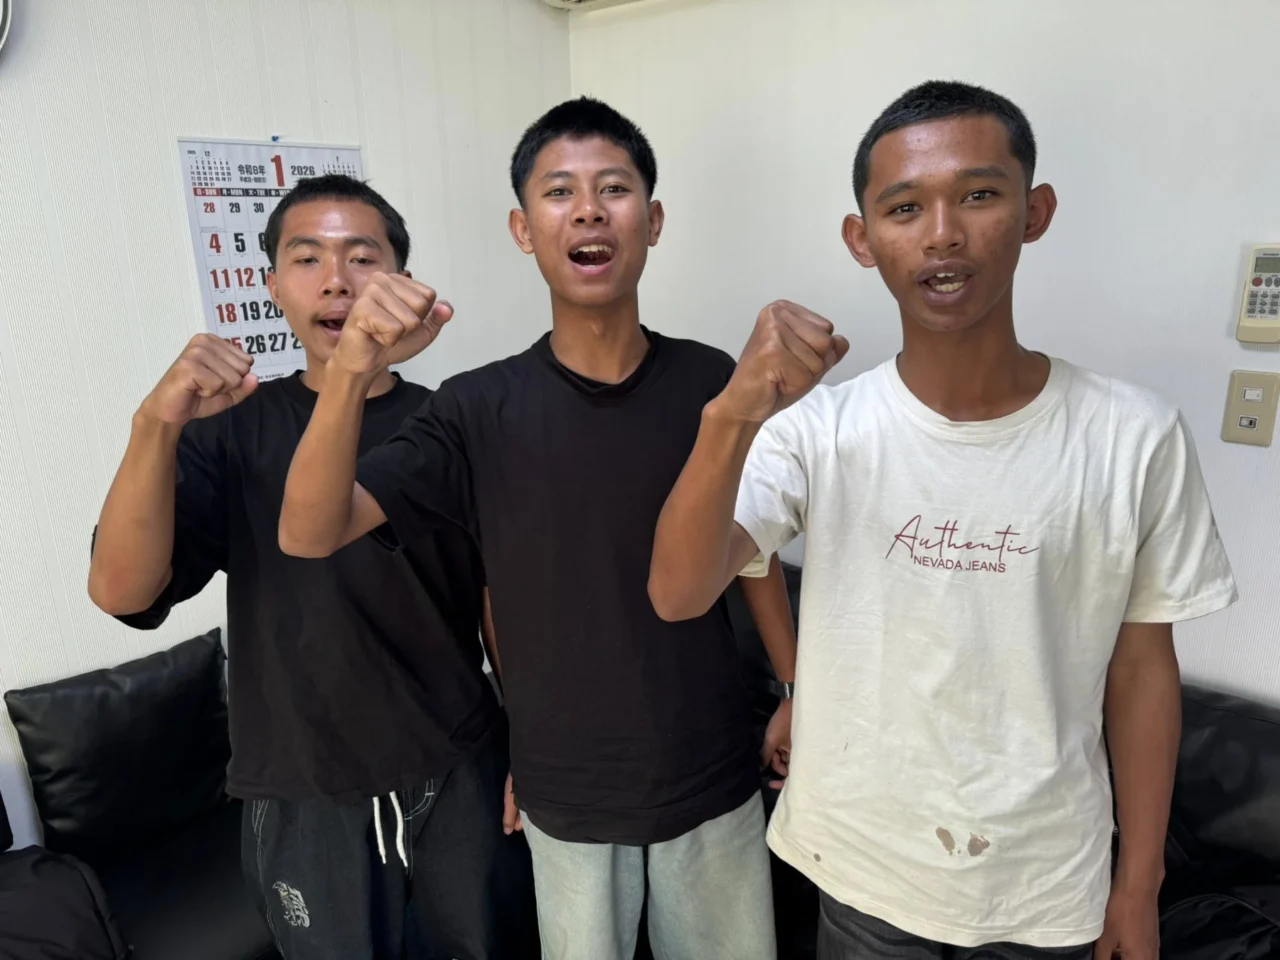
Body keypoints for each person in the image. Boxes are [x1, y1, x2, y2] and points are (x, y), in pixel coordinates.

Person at [647, 80, 1238, 960]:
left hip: (1046, 885)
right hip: (861, 869)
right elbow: (678, 592)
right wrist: (732, 413)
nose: (942, 233)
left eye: (979, 194)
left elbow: (1143, 670)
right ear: (862, 239)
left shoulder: (1133, 436)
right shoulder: (817, 430)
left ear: (1035, 212)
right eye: (904, 207)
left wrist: (1139, 884)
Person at [277, 98, 795, 960]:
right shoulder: (475, 409)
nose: (588, 210)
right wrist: (352, 367)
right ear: (524, 229)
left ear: (653, 221)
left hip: (711, 771)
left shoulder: (714, 381)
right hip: (566, 789)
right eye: (559, 192)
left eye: (613, 189)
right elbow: (309, 532)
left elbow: (754, 552)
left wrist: (794, 686)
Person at [88, 174, 531, 960]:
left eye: (362, 257)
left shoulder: (449, 425)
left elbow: (502, 595)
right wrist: (154, 424)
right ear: (272, 288)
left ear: (402, 280)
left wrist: (528, 741)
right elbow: (121, 591)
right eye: (307, 258)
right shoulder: (231, 429)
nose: (336, 280)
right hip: (301, 783)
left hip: (456, 764)